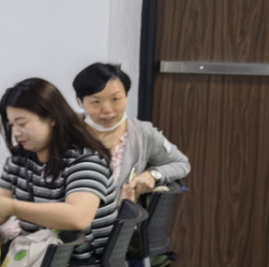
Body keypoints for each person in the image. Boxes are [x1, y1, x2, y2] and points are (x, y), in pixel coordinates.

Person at [0, 77, 120, 267]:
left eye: (22, 123)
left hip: (77, 266)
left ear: (52, 118)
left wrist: (12, 207)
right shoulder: (20, 159)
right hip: (34, 256)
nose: (16, 133)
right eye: (12, 125)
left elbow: (78, 217)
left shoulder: (85, 160)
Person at [72, 62, 189, 202]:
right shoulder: (65, 130)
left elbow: (181, 164)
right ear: (79, 102)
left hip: (123, 215)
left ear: (126, 96)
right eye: (96, 102)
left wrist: (153, 175)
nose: (108, 110)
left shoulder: (142, 133)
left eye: (116, 99)